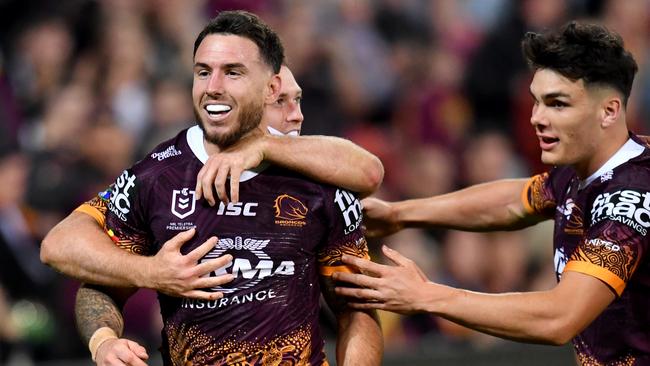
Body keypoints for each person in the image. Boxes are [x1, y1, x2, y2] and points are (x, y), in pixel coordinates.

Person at [44, 10, 383, 365]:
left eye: (232, 72)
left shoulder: (319, 181)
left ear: (270, 88)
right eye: (203, 72)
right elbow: (87, 271)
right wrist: (107, 336)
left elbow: (356, 308)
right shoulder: (157, 176)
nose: (213, 87)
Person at [334, 21, 649, 365]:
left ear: (609, 111)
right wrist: (402, 214)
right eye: (536, 102)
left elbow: (560, 317)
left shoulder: (630, 197)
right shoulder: (583, 172)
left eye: (557, 104)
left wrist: (426, 295)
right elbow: (516, 201)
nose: (537, 118)